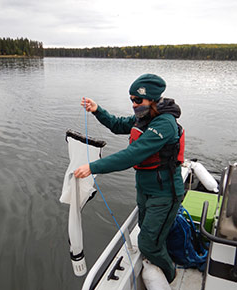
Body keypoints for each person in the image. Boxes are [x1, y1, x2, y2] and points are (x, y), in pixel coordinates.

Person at [74, 73, 185, 283]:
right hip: (145, 189)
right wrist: (97, 110)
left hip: (164, 194)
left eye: (137, 100)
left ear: (152, 99)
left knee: (148, 244)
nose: (133, 104)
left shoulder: (165, 125)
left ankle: (171, 276)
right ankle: (159, 261)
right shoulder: (144, 117)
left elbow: (132, 155)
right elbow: (117, 124)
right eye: (131, 99)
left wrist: (92, 167)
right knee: (146, 230)